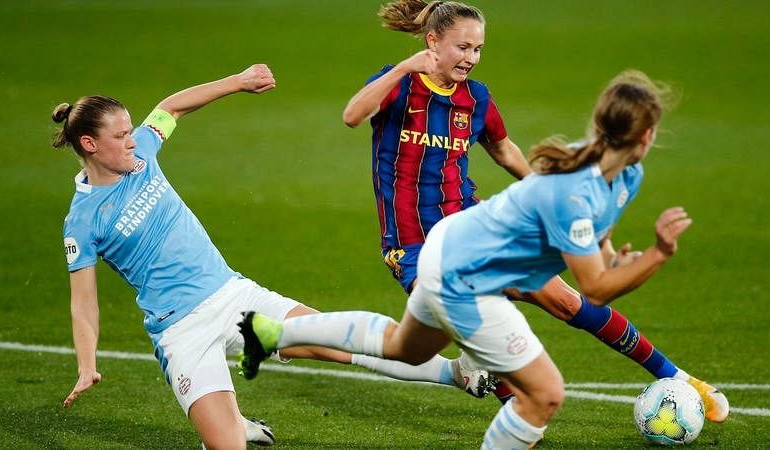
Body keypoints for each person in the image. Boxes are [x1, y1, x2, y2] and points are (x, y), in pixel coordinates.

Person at [239, 69, 706, 448]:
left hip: (447, 248)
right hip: (467, 278)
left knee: (407, 347)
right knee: (544, 395)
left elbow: (599, 235)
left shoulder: (618, 173)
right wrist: (660, 254)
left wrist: (613, 255)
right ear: (646, 136)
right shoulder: (574, 189)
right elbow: (596, 290)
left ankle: (274, 331)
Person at [55, 64, 492, 450]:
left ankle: (457, 373)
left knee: (334, 344)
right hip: (180, 332)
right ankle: (231, 424)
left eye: (131, 131)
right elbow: (83, 301)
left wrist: (238, 82)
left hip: (233, 297)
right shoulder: (84, 221)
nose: (133, 141)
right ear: (91, 145)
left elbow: (172, 108)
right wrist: (87, 365)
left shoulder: (142, 156)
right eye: (121, 136)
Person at [343, 0, 728, 422]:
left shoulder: (476, 98)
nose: (471, 58)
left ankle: (679, 377)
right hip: (414, 245)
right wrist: (404, 67)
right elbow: (352, 116)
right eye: (463, 47)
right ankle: (513, 407)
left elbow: (504, 149)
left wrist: (548, 191)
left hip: (477, 232)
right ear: (433, 41)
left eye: (478, 49)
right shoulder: (398, 85)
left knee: (566, 302)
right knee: (457, 323)